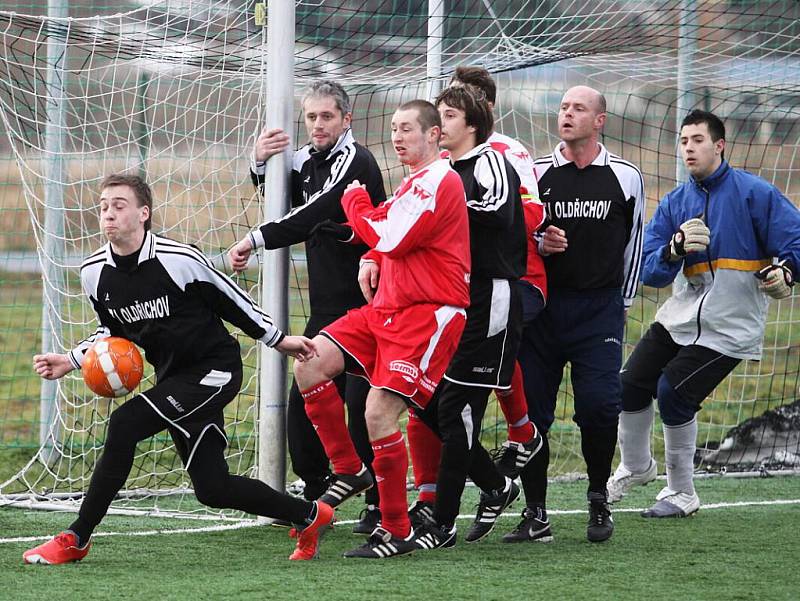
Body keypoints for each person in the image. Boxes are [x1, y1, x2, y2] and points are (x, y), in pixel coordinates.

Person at [23, 174, 332, 565]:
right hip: (173, 378)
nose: (108, 213)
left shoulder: (178, 259)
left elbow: (231, 300)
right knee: (212, 488)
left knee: (124, 425)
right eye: (103, 206)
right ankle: (310, 515)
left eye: (119, 205)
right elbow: (111, 330)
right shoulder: (93, 273)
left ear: (143, 213)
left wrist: (278, 339)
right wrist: (72, 359)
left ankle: (77, 536)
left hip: (215, 369)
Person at [292, 100, 471, 558]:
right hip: (386, 310)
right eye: (393, 128)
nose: (397, 137)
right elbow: (387, 238)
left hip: (426, 315)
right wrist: (372, 255)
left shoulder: (439, 181)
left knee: (377, 413)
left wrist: (353, 201)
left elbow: (386, 231)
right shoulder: (414, 183)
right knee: (310, 364)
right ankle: (351, 470)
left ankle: (396, 530)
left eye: (408, 128)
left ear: (434, 135)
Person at [608, 109, 800, 517]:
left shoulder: (755, 194)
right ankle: (637, 466)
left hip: (730, 326)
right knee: (628, 385)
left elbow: (795, 241)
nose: (689, 148)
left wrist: (787, 271)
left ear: (719, 145)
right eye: (683, 141)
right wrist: (673, 249)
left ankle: (682, 493)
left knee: (673, 392)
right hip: (680, 316)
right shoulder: (676, 202)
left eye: (698, 140)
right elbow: (650, 271)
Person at [228, 80, 385, 533]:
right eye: (312, 117)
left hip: (367, 306)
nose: (317, 125)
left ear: (346, 119)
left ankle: (378, 501)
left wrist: (254, 239)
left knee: (363, 407)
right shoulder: (305, 159)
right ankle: (316, 494)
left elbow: (311, 213)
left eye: (327, 117)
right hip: (325, 307)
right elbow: (281, 200)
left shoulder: (357, 161)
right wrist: (259, 162)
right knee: (304, 403)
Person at [405, 67, 547, 525]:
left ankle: (440, 519)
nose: (439, 123)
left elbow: (496, 210)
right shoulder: (443, 170)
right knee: (425, 402)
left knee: (453, 409)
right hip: (451, 302)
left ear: (472, 123)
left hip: (492, 299)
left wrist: (438, 213)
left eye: (448, 115)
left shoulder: (492, 163)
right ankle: (493, 484)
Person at [504, 85, 645, 543]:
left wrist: (619, 307)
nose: (566, 114)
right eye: (563, 107)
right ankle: (536, 513)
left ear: (599, 120)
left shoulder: (625, 177)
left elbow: (634, 246)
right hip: (543, 312)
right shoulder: (536, 173)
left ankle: (598, 496)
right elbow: (519, 237)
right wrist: (540, 244)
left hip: (599, 313)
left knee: (601, 407)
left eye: (578, 108)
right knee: (533, 415)